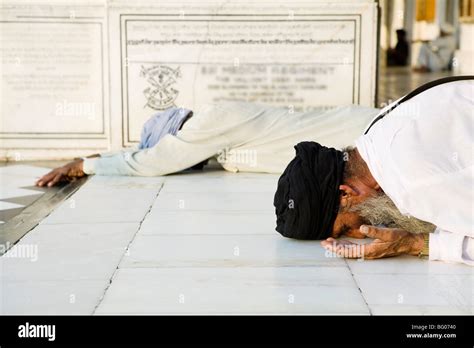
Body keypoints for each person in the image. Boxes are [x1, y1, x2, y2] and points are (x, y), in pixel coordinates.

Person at [274, 76, 473, 265]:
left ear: (345, 192)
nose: (360, 234)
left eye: (346, 228)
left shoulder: (410, 181)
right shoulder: (375, 132)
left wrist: (415, 243)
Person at [36, 102, 379, 187]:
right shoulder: (220, 139)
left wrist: (84, 164)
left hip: (368, 130)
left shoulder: (210, 121)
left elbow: (154, 161)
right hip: (363, 138)